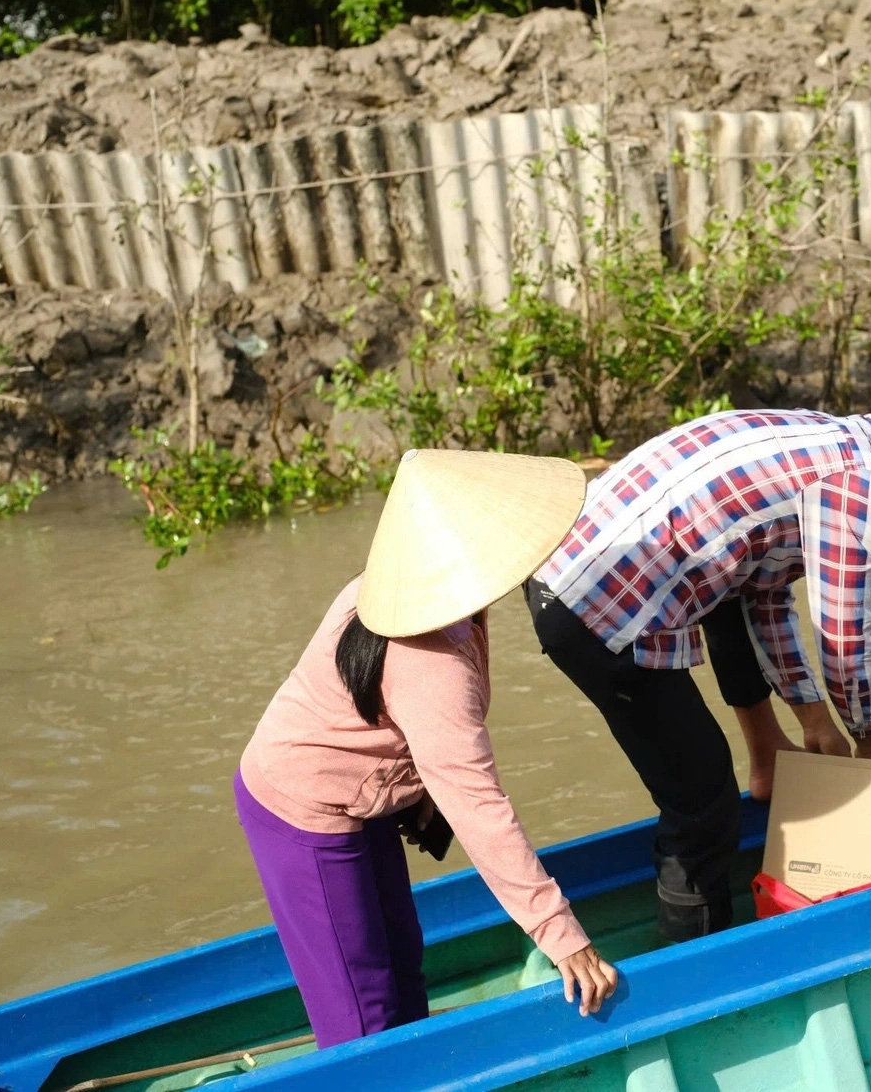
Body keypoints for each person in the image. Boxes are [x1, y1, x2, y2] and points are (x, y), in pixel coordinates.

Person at [525, 377, 871, 941]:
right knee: (702, 801)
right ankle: (699, 966)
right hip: (604, 606)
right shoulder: (864, 484)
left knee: (732, 623)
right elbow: (846, 635)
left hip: (565, 571)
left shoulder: (821, 436)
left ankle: (767, 760)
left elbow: (763, 593)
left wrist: (812, 715)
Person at [235, 449, 619, 1049]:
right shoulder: (431, 661)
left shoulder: (417, 597)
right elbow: (477, 804)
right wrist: (560, 933)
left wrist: (416, 796)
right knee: (365, 1014)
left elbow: (390, 724)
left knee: (403, 966)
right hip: (301, 808)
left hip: (364, 800)